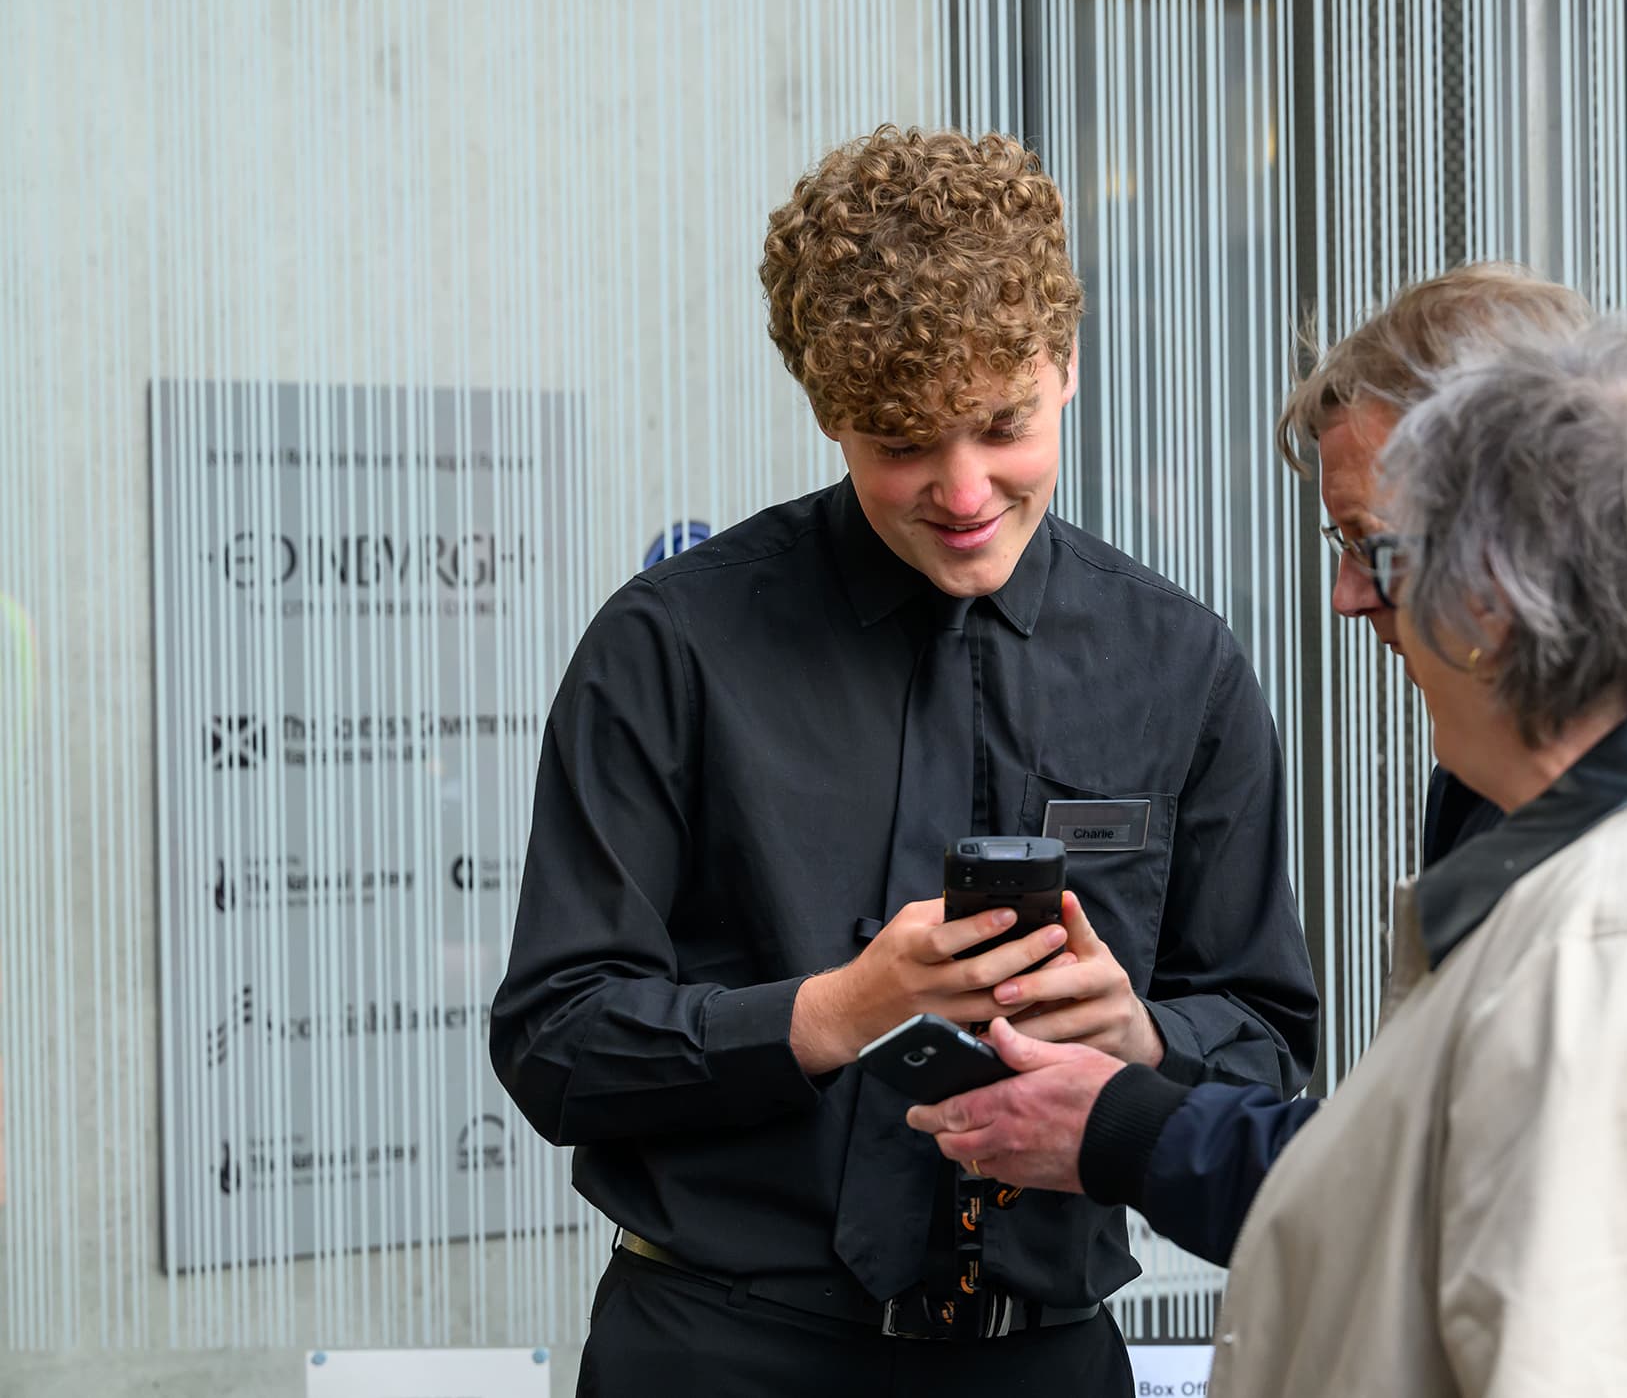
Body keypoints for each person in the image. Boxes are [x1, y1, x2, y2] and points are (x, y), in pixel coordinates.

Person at [916, 318, 1627, 1393]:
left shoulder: (1619, 938)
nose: (1347, 597)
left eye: (1380, 553)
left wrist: (1130, 1122)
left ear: (1509, 586)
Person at [489, 126, 1318, 1397]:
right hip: (721, 1353)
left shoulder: (1184, 666)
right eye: (901, 442)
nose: (964, 488)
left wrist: (1142, 1038)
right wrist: (836, 1011)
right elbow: (554, 1038)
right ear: (827, 411)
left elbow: (1266, 1038)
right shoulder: (669, 648)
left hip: (1044, 1361)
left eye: (1002, 425)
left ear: (1069, 366)